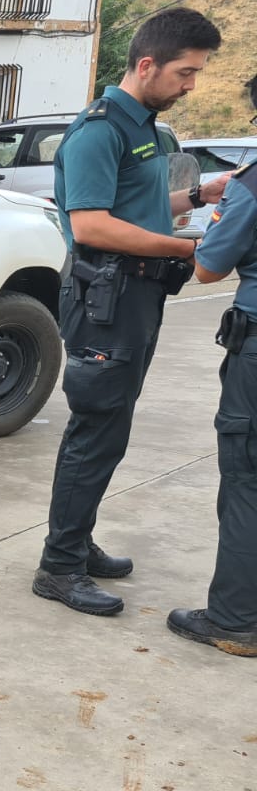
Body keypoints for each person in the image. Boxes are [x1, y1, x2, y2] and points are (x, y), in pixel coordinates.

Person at [32, 7, 230, 616]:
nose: (191, 85)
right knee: (95, 429)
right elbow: (91, 225)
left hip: (134, 296)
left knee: (110, 427)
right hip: (104, 299)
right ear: (146, 65)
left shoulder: (141, 124)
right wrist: (190, 245)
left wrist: (201, 195)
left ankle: (76, 540)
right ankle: (58, 569)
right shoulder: (100, 129)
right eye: (185, 73)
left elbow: (133, 208)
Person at [164, 74, 257, 658]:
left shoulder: (251, 188)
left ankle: (234, 620)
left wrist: (212, 226)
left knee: (246, 480)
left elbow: (208, 270)